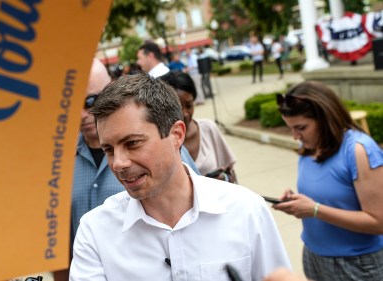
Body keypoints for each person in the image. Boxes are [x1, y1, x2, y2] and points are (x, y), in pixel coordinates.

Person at [69, 73, 291, 280]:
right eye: (109, 149)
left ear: (176, 135)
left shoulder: (247, 211)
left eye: (132, 143)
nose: (118, 163)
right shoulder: (94, 233)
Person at [53, 59, 199, 280]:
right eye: (109, 149)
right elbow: (57, 242)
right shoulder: (56, 160)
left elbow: (197, 214)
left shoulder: (165, 148)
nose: (120, 163)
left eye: (90, 101)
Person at [272, 81, 383, 281]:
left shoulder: (358, 150)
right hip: (314, 257)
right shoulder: (309, 148)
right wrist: (297, 203)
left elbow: (379, 221)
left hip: (356, 264)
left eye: (301, 127)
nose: (295, 136)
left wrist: (315, 209)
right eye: (290, 128)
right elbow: (327, 198)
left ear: (325, 118)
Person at [159, 71, 238, 183]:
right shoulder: (159, 141)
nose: (185, 113)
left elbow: (231, 173)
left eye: (189, 105)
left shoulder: (208, 128)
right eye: (178, 108)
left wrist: (223, 179)